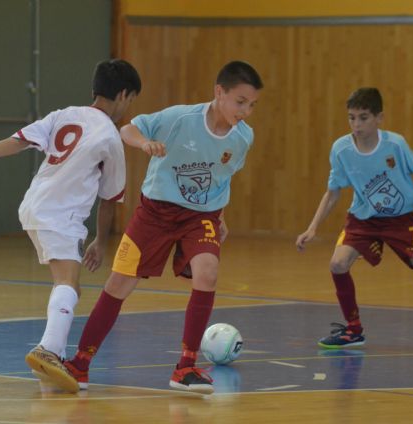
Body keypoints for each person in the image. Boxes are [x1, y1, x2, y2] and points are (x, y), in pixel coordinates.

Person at [50, 61, 264, 395]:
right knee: (119, 284)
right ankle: (79, 363)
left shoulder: (243, 138)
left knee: (208, 272)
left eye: (252, 104)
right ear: (219, 92)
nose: (246, 111)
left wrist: (219, 217)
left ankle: (186, 367)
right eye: (240, 101)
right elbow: (128, 129)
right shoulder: (180, 118)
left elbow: (222, 177)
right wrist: (144, 144)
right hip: (156, 213)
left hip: (201, 216)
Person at [0, 59, 142, 393]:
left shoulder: (64, 114)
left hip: (34, 205)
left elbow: (19, 140)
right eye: (131, 100)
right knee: (67, 283)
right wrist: (100, 242)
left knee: (70, 288)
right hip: (60, 215)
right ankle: (48, 351)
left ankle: (52, 360)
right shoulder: (110, 136)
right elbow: (110, 199)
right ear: (123, 95)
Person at [295, 87, 413, 351]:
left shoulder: (395, 144)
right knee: (338, 264)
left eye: (363, 117)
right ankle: (353, 330)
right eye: (351, 118)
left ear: (379, 118)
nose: (356, 124)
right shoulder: (341, 150)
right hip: (363, 220)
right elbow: (333, 192)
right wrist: (312, 227)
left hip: (400, 221)